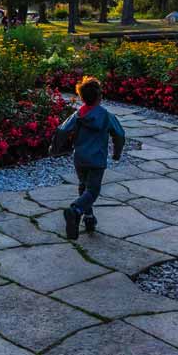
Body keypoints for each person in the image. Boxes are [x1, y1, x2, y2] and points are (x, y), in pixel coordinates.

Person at [58, 77, 126, 239]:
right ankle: (75, 210)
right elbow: (120, 135)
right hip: (96, 160)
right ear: (99, 97)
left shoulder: (78, 114)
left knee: (84, 187)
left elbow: (62, 130)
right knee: (93, 190)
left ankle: (89, 218)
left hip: (80, 158)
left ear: (82, 97)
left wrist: (55, 148)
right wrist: (116, 153)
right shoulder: (106, 116)